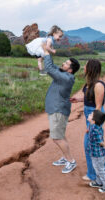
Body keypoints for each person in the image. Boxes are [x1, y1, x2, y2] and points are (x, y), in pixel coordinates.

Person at [41, 42, 80, 173]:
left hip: (58, 110)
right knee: (61, 136)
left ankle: (71, 161)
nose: (63, 63)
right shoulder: (64, 75)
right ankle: (65, 158)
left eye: (66, 63)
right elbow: (51, 66)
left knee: (57, 137)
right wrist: (47, 52)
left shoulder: (66, 78)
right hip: (57, 109)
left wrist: (46, 52)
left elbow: (50, 69)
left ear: (70, 69)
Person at [70, 59, 105, 181]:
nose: (84, 68)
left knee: (88, 145)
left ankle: (93, 175)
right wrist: (79, 99)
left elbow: (97, 106)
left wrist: (92, 125)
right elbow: (88, 98)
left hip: (94, 116)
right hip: (90, 114)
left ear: (90, 68)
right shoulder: (89, 84)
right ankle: (103, 169)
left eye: (86, 66)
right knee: (96, 143)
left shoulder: (98, 85)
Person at [87, 110, 105, 193]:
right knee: (96, 168)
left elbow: (100, 140)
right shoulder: (93, 126)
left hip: (98, 154)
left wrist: (102, 144)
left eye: (91, 114)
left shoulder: (95, 130)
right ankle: (99, 182)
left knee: (100, 169)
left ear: (93, 120)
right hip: (94, 153)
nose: (89, 114)